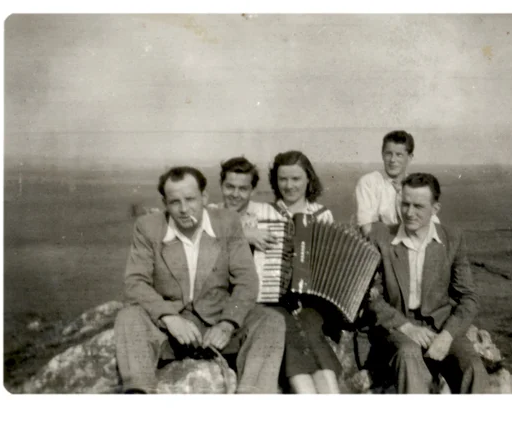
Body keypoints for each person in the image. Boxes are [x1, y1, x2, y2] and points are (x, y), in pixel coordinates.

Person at [114, 166, 285, 394]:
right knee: (129, 316)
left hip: (218, 325)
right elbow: (135, 282)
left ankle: (253, 394)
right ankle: (138, 391)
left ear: (204, 197)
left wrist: (227, 323)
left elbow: (247, 280)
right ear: (165, 203)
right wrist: (169, 317)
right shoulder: (148, 228)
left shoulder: (227, 223)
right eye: (175, 202)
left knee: (271, 320)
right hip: (169, 332)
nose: (184, 209)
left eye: (191, 199)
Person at [364, 173, 488, 394]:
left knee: (473, 368)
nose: (409, 213)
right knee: (409, 354)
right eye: (404, 204)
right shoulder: (380, 237)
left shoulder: (452, 239)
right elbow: (371, 295)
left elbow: (469, 297)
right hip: (397, 325)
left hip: (442, 327)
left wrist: (448, 336)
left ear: (435, 209)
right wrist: (406, 327)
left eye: (418, 206)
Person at [266, 150, 342, 394]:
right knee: (289, 328)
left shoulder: (322, 215)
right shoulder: (264, 214)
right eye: (283, 179)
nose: (289, 186)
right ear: (275, 182)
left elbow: (329, 266)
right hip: (275, 300)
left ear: (308, 179)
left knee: (309, 327)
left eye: (296, 179)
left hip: (312, 301)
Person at [354, 130, 438, 236]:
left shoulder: (417, 186)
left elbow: (433, 224)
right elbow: (367, 229)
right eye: (388, 154)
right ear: (382, 155)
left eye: (399, 155)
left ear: (410, 157)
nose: (392, 160)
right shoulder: (369, 183)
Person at [209, 156, 277, 253]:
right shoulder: (210, 212)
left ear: (253, 190)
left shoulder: (266, 212)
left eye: (243, 189)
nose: (235, 194)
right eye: (230, 187)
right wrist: (243, 234)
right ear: (221, 185)